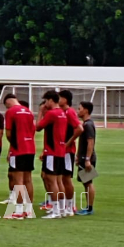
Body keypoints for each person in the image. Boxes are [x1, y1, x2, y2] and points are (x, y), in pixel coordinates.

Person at [2, 94, 37, 220]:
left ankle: (18, 211)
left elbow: (9, 133)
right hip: (30, 148)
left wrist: (13, 145)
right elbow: (33, 130)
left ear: (9, 102)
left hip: (18, 149)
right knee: (28, 179)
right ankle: (29, 210)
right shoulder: (29, 112)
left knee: (18, 181)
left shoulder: (11, 112)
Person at [36, 91, 69, 219]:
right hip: (60, 150)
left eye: (46, 101)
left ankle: (55, 210)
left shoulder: (51, 114)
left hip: (52, 151)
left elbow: (38, 127)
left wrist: (40, 112)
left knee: (51, 180)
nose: (45, 104)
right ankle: (62, 209)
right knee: (58, 181)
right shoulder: (62, 113)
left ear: (50, 100)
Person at [58, 90, 84, 217]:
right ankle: (62, 206)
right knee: (61, 178)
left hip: (67, 152)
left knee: (66, 178)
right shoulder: (61, 112)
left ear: (66, 99)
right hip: (60, 151)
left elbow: (79, 128)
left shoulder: (70, 112)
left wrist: (68, 143)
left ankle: (70, 206)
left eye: (60, 97)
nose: (58, 99)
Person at [76, 101, 97, 216]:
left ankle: (89, 208)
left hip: (87, 158)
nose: (78, 111)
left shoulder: (88, 125)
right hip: (83, 157)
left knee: (88, 182)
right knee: (86, 182)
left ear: (86, 110)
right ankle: (88, 207)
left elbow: (90, 142)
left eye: (80, 109)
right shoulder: (86, 124)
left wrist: (87, 159)